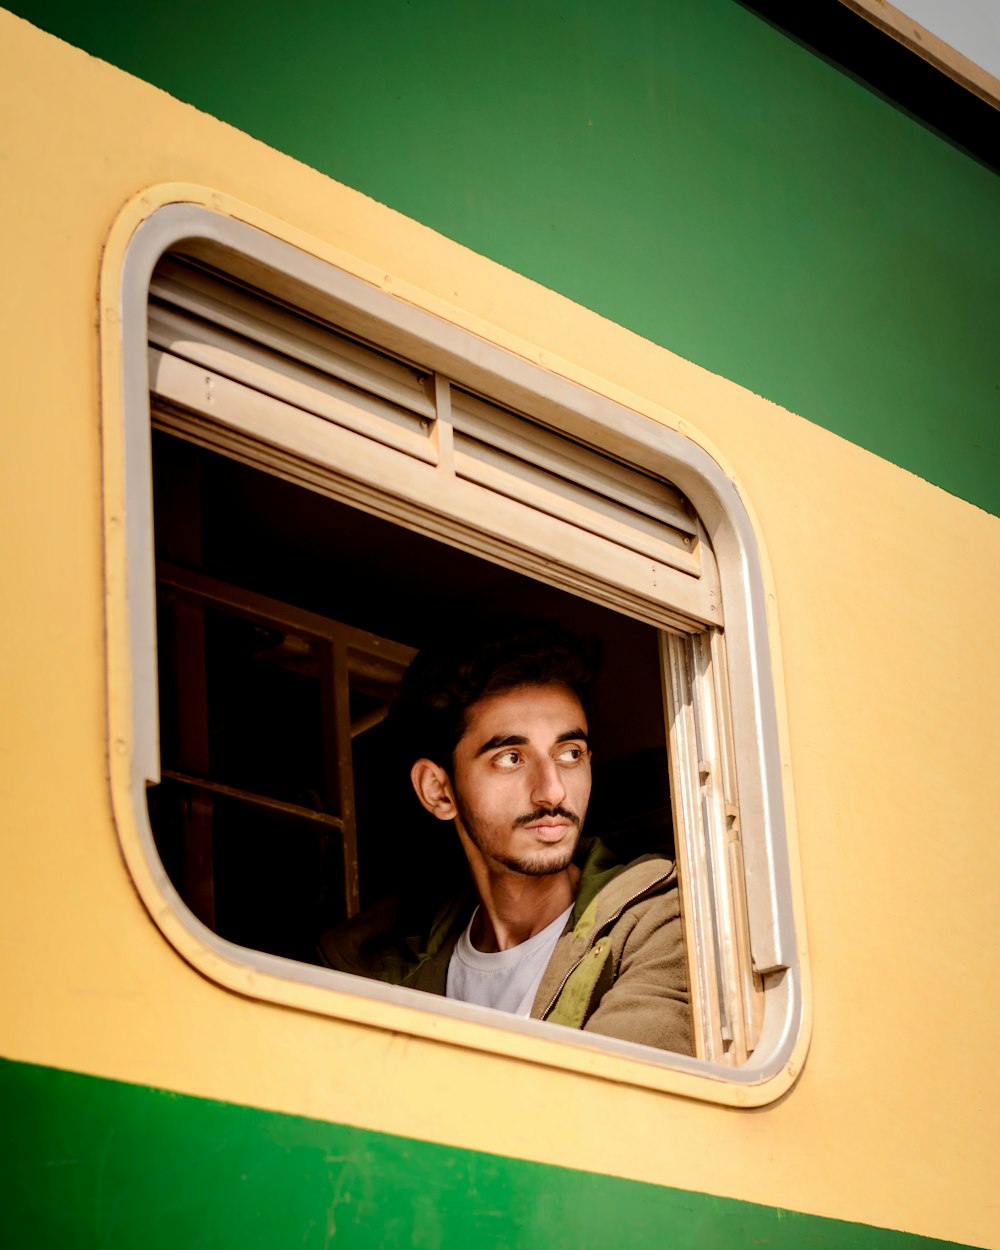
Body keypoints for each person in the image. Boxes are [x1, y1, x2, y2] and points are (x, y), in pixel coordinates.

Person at [318, 618, 692, 1055]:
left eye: (570, 754)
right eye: (511, 758)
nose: (552, 790)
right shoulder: (379, 969)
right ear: (439, 792)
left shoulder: (655, 923)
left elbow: (612, 1113)